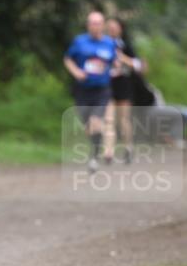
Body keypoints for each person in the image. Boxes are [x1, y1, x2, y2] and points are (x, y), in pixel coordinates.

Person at [63, 11, 117, 171]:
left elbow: (114, 62)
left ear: (103, 25)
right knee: (88, 126)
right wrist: (76, 72)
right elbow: (67, 59)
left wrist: (115, 68)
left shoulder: (109, 43)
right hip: (82, 90)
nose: (95, 26)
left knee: (96, 122)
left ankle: (94, 157)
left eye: (98, 23)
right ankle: (95, 147)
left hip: (102, 90)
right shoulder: (79, 42)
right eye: (92, 23)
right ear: (88, 25)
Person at [103, 17, 147, 164]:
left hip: (123, 85)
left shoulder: (126, 45)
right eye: (109, 27)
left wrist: (123, 58)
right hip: (106, 85)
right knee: (109, 119)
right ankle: (108, 152)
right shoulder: (101, 45)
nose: (112, 29)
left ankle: (128, 148)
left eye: (115, 27)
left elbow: (139, 65)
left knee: (124, 120)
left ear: (120, 29)